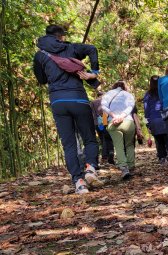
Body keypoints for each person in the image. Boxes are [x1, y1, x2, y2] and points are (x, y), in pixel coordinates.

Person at [33, 24, 102, 194]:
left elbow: (41, 80)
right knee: (89, 139)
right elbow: (92, 49)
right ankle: (90, 168)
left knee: (69, 144)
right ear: (61, 36)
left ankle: (78, 182)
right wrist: (94, 71)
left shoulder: (40, 55)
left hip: (58, 101)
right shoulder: (71, 48)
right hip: (78, 98)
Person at [102, 81, 136, 179]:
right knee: (129, 144)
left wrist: (114, 116)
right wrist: (122, 116)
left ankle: (124, 168)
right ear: (124, 87)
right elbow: (130, 107)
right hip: (128, 122)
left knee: (118, 146)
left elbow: (104, 107)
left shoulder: (108, 94)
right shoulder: (128, 95)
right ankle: (131, 166)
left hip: (113, 122)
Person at [143, 75, 168, 165]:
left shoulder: (147, 95)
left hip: (153, 120)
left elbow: (146, 110)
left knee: (158, 140)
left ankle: (162, 157)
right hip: (165, 118)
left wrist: (147, 124)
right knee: (167, 139)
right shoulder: (164, 92)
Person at [91, 92, 115, 165]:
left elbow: (92, 113)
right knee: (107, 138)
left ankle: (105, 156)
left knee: (102, 139)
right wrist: (104, 122)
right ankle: (107, 155)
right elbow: (105, 112)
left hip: (96, 123)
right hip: (104, 122)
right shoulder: (105, 102)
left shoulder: (92, 102)